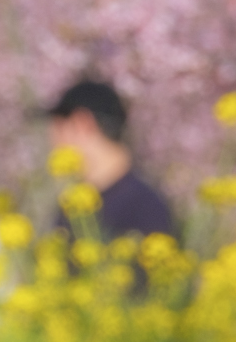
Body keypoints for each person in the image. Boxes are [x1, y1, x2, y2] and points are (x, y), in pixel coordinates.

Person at [44, 79, 175, 240]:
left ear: (82, 124)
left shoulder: (144, 208)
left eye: (58, 127)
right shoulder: (74, 206)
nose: (53, 142)